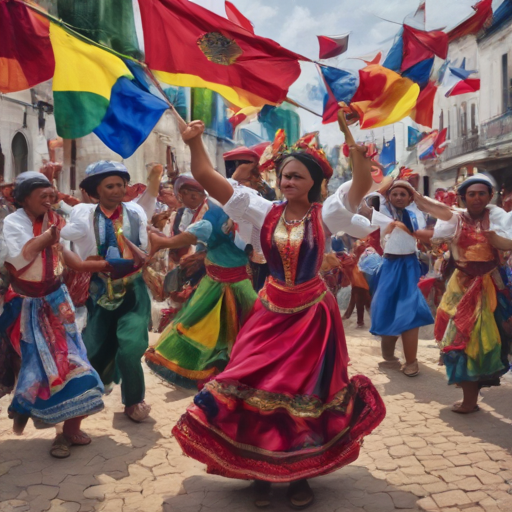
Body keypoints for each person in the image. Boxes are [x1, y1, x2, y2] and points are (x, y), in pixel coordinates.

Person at [170, 110, 385, 509]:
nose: (288, 182)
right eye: (284, 176)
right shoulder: (260, 209)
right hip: (269, 310)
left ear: (315, 183)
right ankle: (259, 470)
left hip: (312, 318)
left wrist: (351, 141)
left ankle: (301, 474)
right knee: (251, 383)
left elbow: (361, 182)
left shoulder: (330, 213)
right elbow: (207, 178)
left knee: (304, 395)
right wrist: (193, 141)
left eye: (297, 177)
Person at [0, 171, 106, 458]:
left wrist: (95, 266)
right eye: (42, 196)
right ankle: (35, 413)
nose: (50, 200)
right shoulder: (13, 222)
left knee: (76, 364)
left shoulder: (58, 221)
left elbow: (64, 255)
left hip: (58, 303)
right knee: (38, 369)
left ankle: (69, 429)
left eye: (51, 195)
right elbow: (19, 258)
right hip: (26, 307)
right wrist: (48, 236)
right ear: (23, 199)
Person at [60, 161, 151, 422]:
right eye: (109, 186)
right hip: (98, 291)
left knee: (132, 346)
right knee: (94, 348)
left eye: (120, 185)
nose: (116, 190)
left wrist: (142, 256)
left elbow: (144, 245)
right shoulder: (83, 213)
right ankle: (82, 405)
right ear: (95, 191)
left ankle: (134, 400)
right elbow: (68, 237)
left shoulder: (135, 212)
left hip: (133, 290)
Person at [423, 174, 512, 413]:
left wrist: (498, 240)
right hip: (460, 286)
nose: (476, 198)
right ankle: (471, 396)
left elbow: (508, 245)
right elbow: (434, 208)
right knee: (457, 339)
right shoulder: (454, 219)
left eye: (482, 193)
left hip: (490, 286)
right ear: (464, 197)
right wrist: (410, 195)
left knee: (480, 343)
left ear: (490, 196)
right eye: (471, 194)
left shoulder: (499, 219)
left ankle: (470, 399)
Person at [145, 201, 257, 389]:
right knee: (199, 327)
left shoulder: (248, 215)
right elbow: (192, 236)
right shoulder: (213, 218)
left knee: (251, 323)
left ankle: (238, 369)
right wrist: (164, 242)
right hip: (214, 283)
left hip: (238, 281)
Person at [362, 180, 434, 377]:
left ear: (410, 197)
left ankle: (412, 361)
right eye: (395, 194)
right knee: (386, 307)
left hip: (409, 265)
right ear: (389, 197)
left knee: (409, 310)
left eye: (404, 194)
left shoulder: (415, 214)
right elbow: (362, 207)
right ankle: (389, 356)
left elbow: (425, 235)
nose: (399, 198)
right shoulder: (383, 213)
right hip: (388, 266)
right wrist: (382, 188)